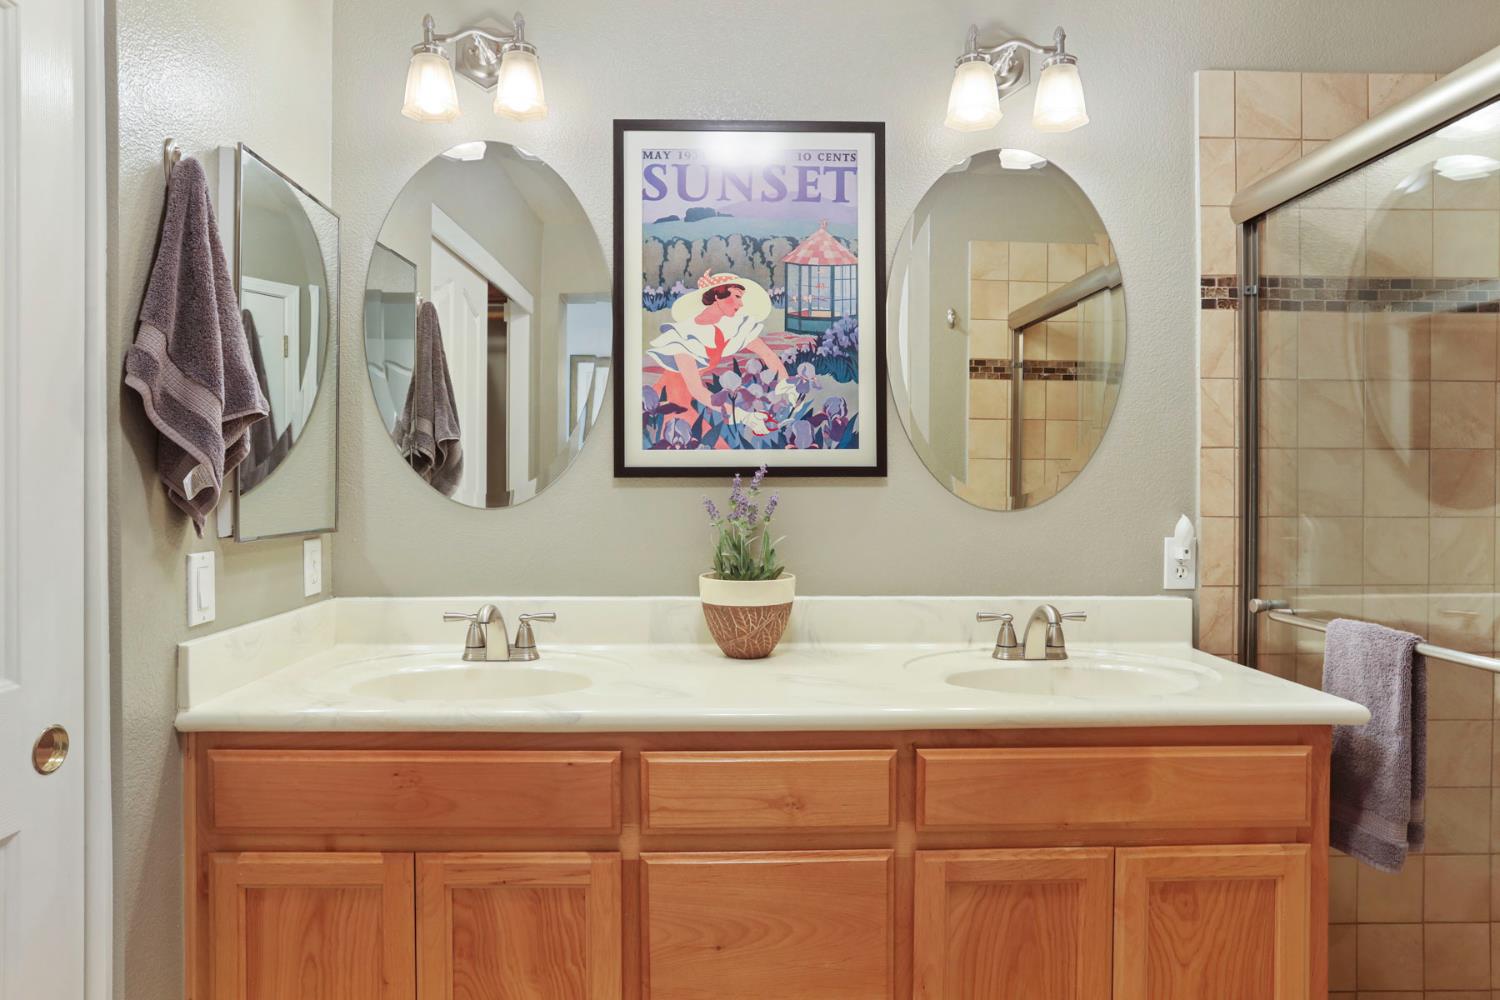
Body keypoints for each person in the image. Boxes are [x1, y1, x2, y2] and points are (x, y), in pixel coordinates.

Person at [646, 271, 792, 431]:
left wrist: (788, 386)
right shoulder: (684, 335)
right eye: (737, 296)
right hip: (675, 400)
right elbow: (696, 390)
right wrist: (744, 417)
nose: (741, 304)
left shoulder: (729, 325)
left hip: (699, 399)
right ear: (717, 296)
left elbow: (767, 354)